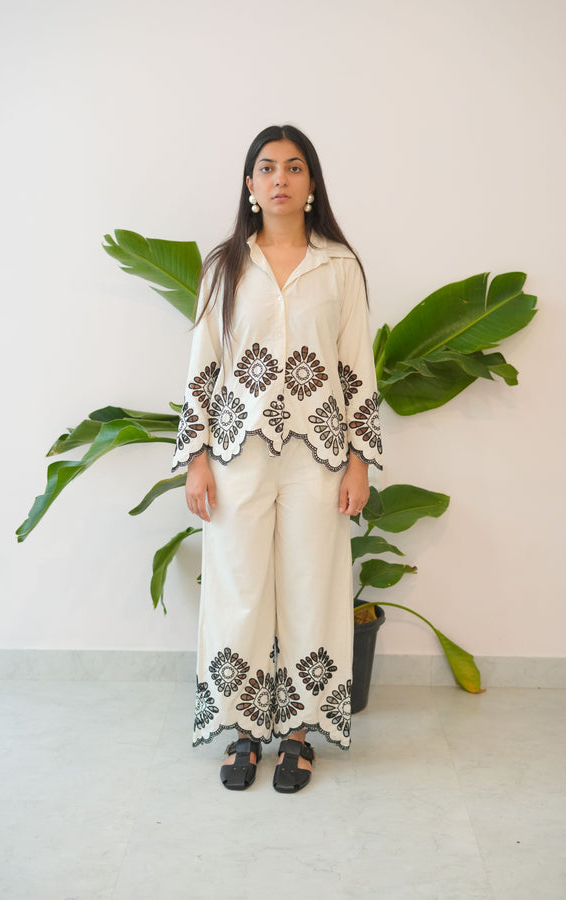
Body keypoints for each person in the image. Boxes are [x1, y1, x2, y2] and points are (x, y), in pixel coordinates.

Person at [172, 124, 382, 793]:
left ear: (311, 183)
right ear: (250, 184)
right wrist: (197, 458)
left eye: (294, 167)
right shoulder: (225, 267)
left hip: (319, 456)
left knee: (311, 586)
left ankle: (298, 734)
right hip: (237, 455)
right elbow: (203, 365)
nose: (280, 179)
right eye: (267, 168)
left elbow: (356, 366)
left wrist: (360, 460)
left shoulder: (339, 266)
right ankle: (242, 731)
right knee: (238, 589)